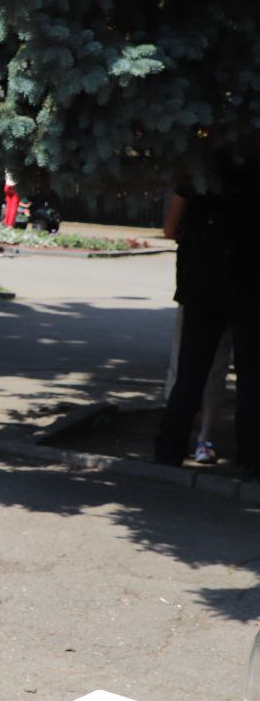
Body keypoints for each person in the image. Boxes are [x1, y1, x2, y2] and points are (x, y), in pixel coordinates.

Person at [154, 154, 257, 476]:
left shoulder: (199, 175)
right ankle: (252, 461)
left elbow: (170, 229)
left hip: (202, 288)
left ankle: (168, 453)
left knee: (190, 375)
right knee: (252, 380)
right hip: (251, 289)